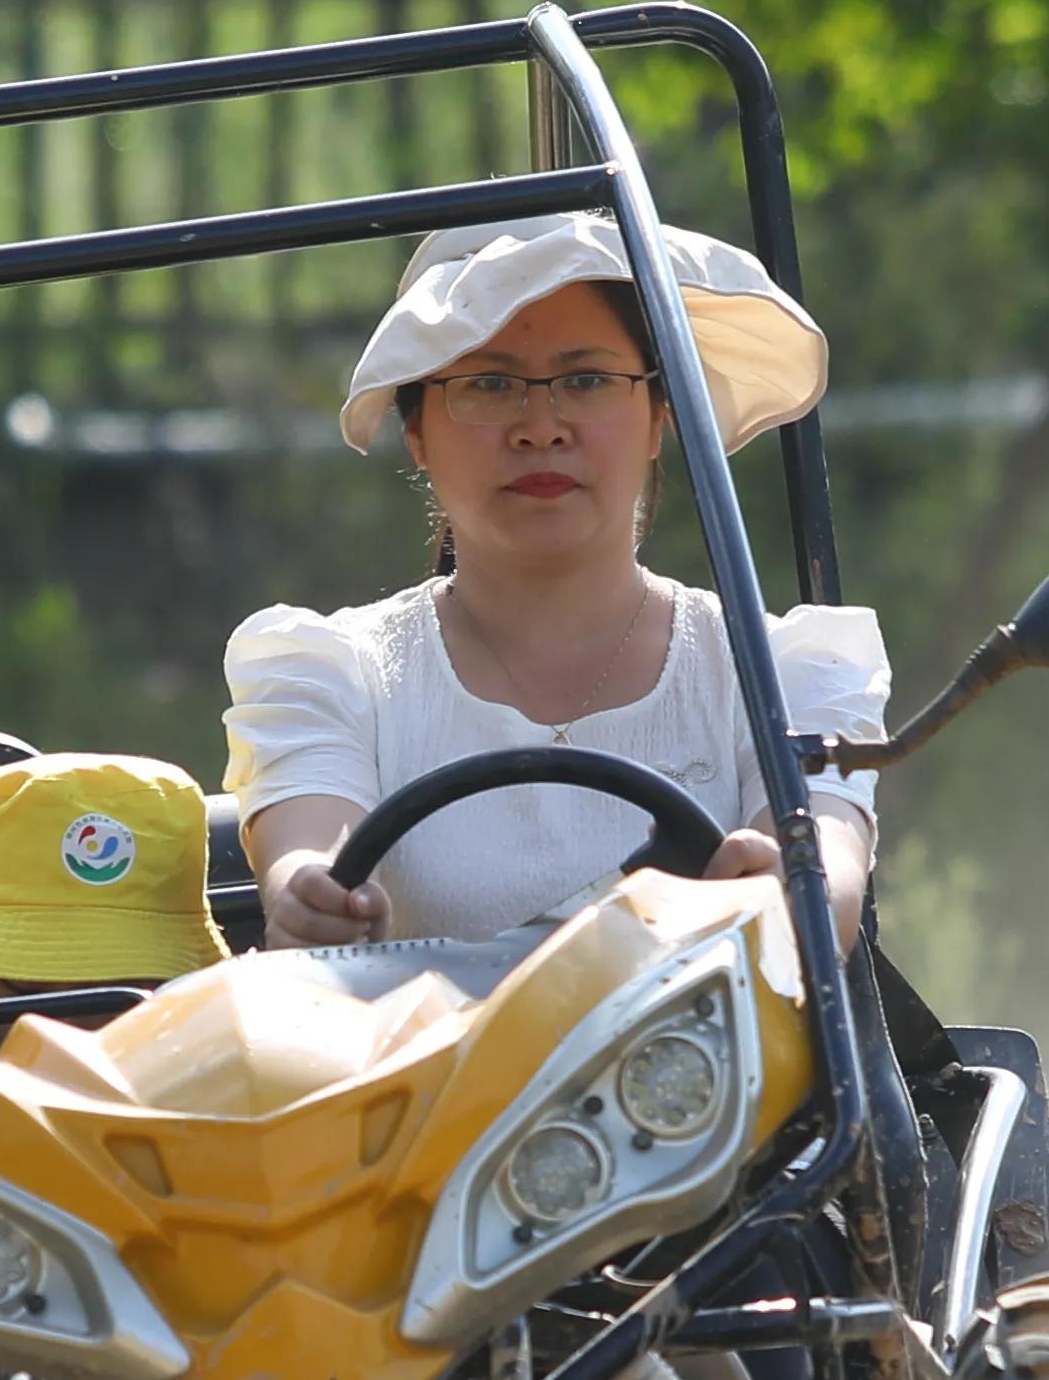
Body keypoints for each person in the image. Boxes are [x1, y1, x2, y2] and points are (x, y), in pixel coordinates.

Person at [225, 221, 887, 951]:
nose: (540, 427)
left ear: (657, 416)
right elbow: (308, 853)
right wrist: (315, 899)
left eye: (586, 380)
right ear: (416, 433)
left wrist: (788, 892)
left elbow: (825, 868)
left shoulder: (778, 672)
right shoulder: (334, 673)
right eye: (489, 384)